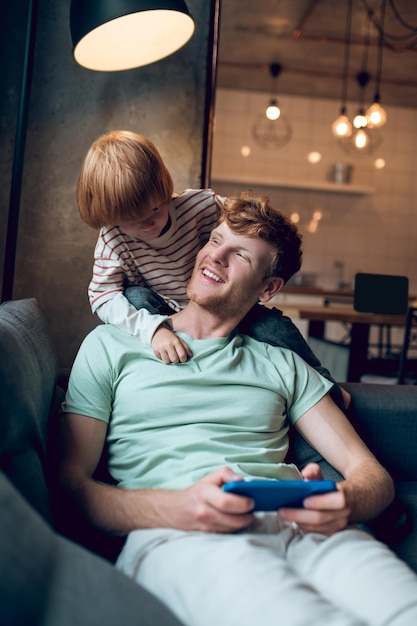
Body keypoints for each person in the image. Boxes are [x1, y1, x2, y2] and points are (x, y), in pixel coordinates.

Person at [58, 192, 417, 626]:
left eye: (240, 254)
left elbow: (372, 475)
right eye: (214, 239)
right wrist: (176, 509)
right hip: (183, 535)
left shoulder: (282, 363)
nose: (214, 256)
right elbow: (70, 488)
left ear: (269, 288)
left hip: (308, 532)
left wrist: (346, 501)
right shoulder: (110, 345)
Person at [76, 130, 346, 407]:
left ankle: (330, 389)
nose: (149, 224)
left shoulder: (201, 206)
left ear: (164, 190)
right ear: (109, 217)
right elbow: (102, 296)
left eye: (156, 209)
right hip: (163, 311)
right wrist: (153, 330)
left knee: (275, 327)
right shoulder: (113, 239)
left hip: (220, 308)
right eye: (132, 220)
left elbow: (246, 224)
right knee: (134, 298)